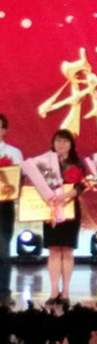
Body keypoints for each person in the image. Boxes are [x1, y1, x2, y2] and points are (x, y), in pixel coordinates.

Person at [43, 129, 87, 306]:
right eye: (58, 141)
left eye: (65, 141)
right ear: (53, 144)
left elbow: (81, 186)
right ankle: (54, 291)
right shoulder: (45, 162)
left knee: (67, 250)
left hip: (70, 208)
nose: (61, 144)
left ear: (71, 144)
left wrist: (65, 196)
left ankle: (66, 291)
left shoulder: (77, 163)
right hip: (50, 209)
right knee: (53, 250)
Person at [0, 114, 22, 308]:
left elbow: (19, 178)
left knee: (3, 251)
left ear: (4, 130)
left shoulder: (13, 153)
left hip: (4, 207)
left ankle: (4, 293)